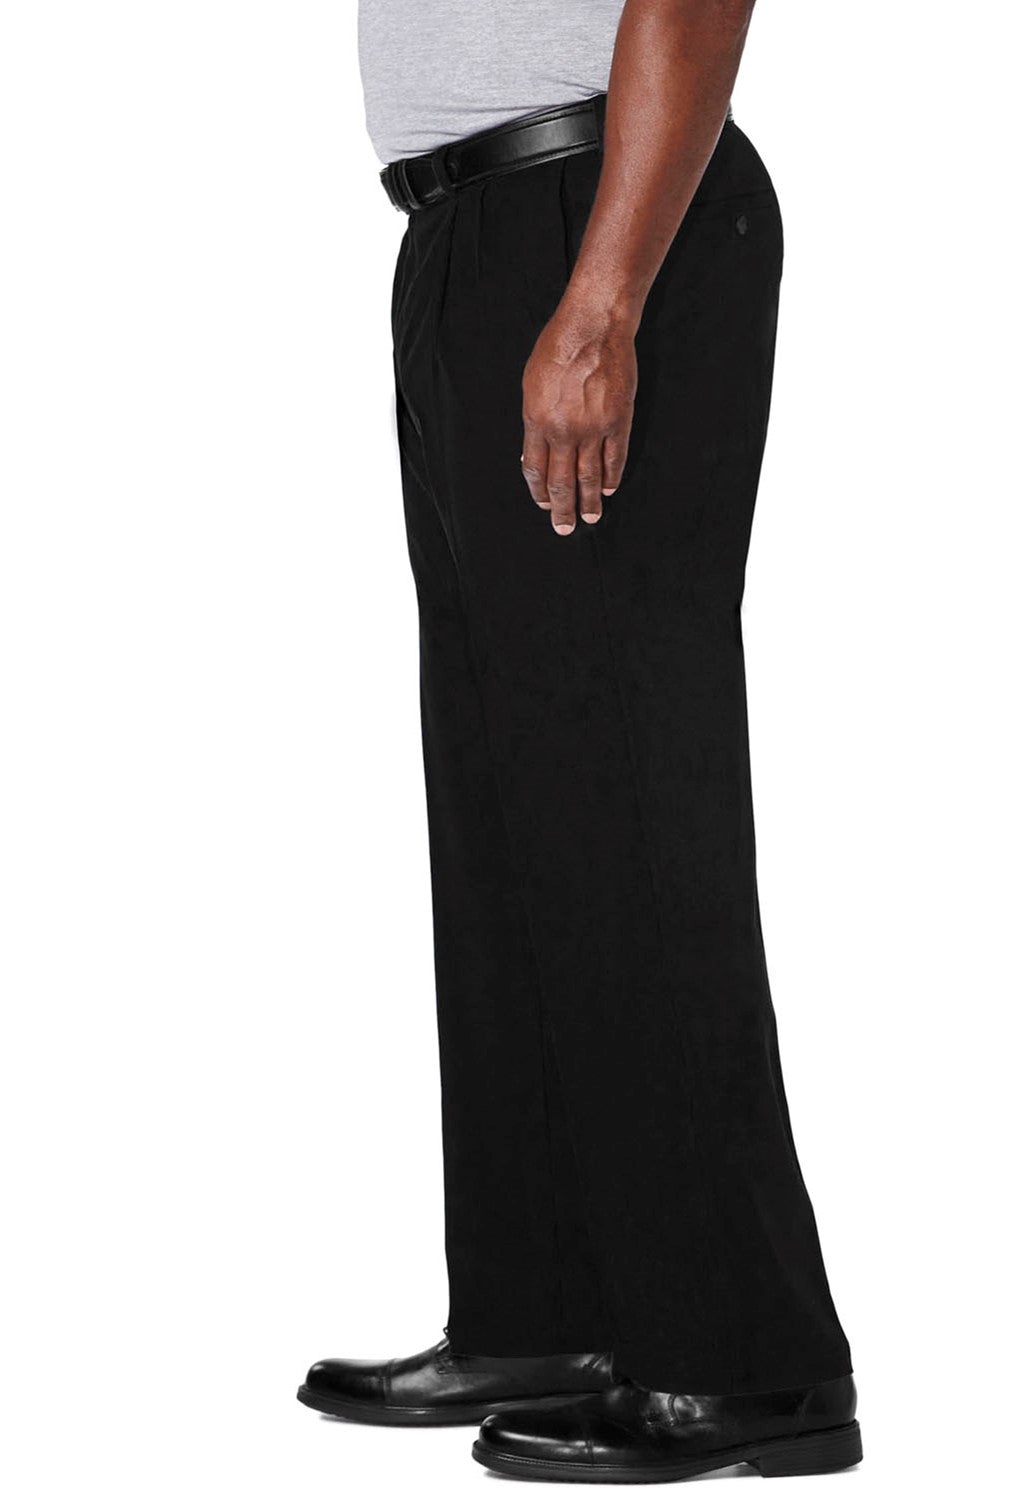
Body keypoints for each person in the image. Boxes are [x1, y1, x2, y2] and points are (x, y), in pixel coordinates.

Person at [296, 0, 859, 1482]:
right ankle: (542, 1309)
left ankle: (747, 1361)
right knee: (507, 805)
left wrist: (602, 302)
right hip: (470, 234)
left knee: (626, 795)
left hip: (601, 222)